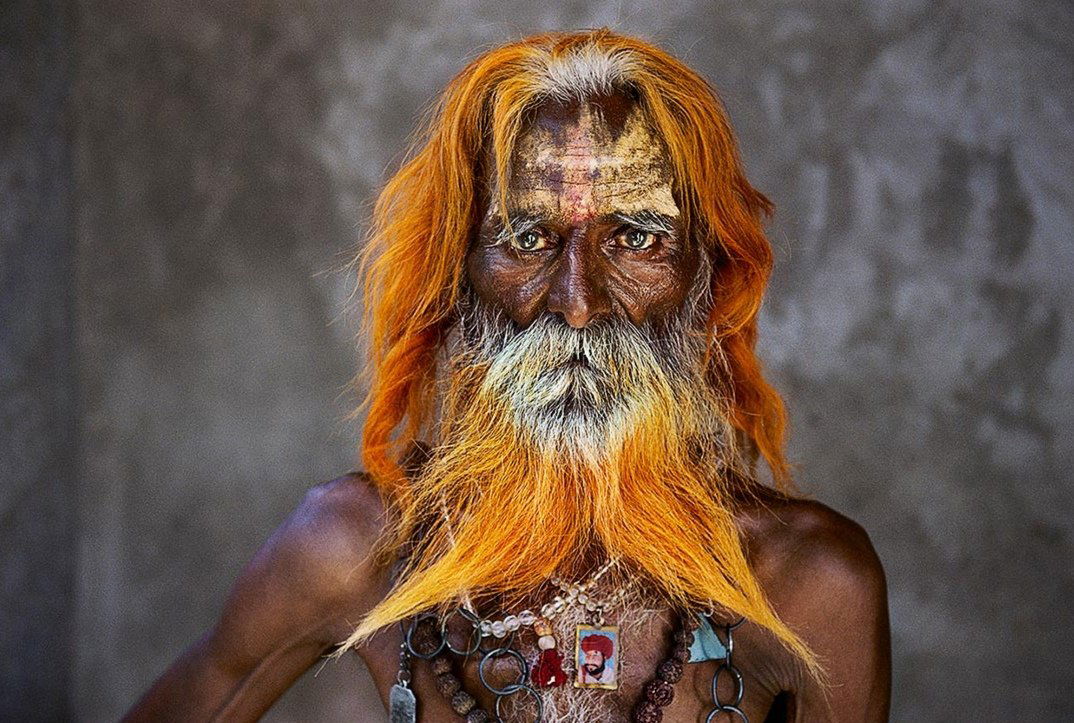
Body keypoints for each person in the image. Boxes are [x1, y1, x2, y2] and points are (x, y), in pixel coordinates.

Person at [125, 28, 891, 722]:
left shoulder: (809, 586)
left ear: (705, 280)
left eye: (633, 237)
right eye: (526, 237)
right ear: (457, 278)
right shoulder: (353, 547)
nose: (578, 304)